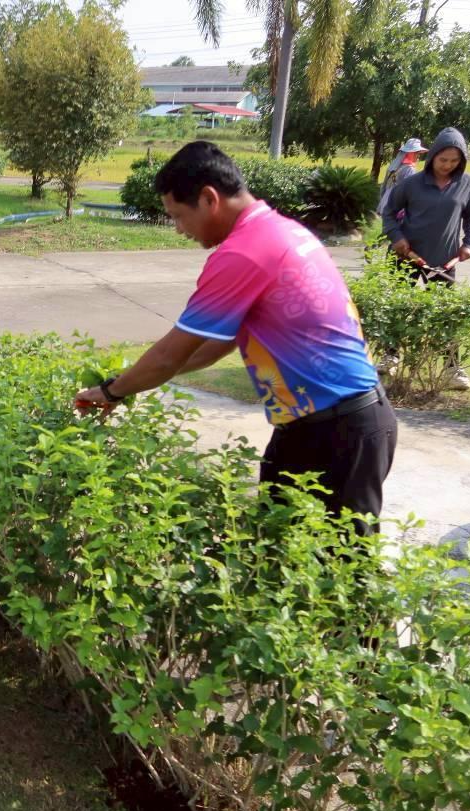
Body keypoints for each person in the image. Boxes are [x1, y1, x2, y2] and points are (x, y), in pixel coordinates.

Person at [74, 142, 396, 536]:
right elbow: (209, 347)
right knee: (276, 557)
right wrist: (135, 381)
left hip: (338, 433)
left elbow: (168, 356)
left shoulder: (245, 252)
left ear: (209, 198)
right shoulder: (279, 230)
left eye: (178, 216)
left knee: (340, 572)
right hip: (321, 426)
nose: (178, 229)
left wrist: (111, 392)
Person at [382, 128, 470, 390]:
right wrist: (397, 238)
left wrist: (469, 243)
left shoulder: (467, 184)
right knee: (398, 307)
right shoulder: (411, 183)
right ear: (433, 156)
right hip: (408, 257)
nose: (447, 166)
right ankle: (389, 357)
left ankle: (451, 369)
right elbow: (389, 212)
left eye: (454, 161)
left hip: (443, 260)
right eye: (443, 160)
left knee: (445, 314)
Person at [375, 137, 427, 217]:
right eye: (417, 153)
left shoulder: (394, 166)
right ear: (410, 153)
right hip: (398, 204)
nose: (418, 156)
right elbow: (409, 190)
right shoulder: (409, 169)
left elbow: (384, 186)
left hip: (386, 201)